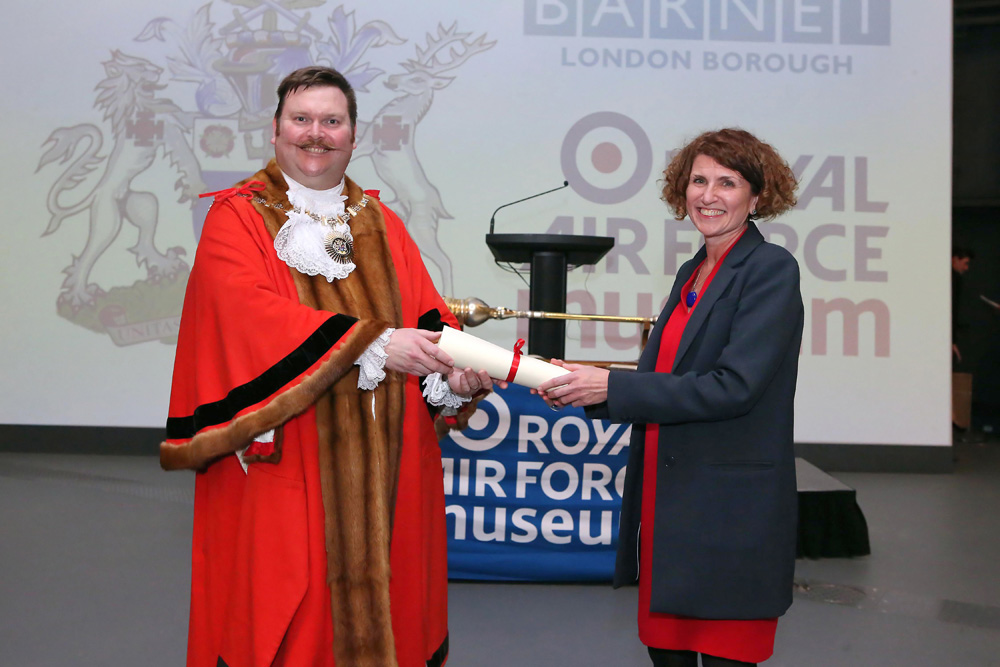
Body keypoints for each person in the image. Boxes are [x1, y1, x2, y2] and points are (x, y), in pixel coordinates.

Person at [161, 66, 495, 667]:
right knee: (287, 624)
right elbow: (244, 318)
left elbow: (428, 322)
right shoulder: (236, 217)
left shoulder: (383, 223)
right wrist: (371, 343)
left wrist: (452, 375)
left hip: (387, 465)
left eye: (331, 121)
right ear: (275, 130)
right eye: (302, 119)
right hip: (290, 462)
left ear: (353, 135)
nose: (316, 134)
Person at [538, 128, 802, 666]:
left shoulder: (771, 270)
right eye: (698, 180)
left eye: (727, 182)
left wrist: (610, 385)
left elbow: (735, 386)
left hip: (728, 512)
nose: (708, 194)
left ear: (756, 197)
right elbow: (666, 376)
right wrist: (586, 386)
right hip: (669, 505)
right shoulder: (692, 272)